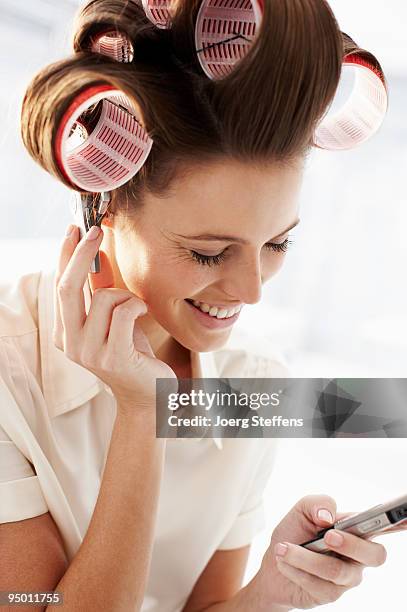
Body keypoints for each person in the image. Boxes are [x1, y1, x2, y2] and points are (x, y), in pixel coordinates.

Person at [0, 1, 394, 611]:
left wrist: (272, 590)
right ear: (105, 212)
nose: (252, 291)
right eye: (210, 253)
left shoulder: (253, 380)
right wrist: (142, 413)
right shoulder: (8, 372)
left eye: (277, 243)